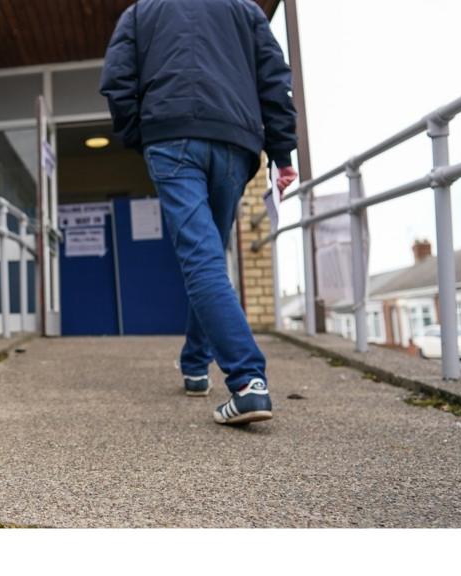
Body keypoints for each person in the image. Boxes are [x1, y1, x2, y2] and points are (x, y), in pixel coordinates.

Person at [100, 0, 298, 425]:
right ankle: (194, 364)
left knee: (202, 258)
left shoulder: (140, 13)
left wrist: (144, 136)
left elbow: (117, 80)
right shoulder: (245, 10)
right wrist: (281, 152)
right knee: (208, 257)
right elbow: (274, 80)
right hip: (234, 142)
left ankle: (248, 384)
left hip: (172, 140)